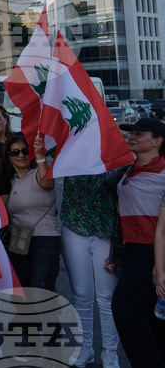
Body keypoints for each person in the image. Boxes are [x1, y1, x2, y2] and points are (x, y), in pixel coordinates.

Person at [108, 117, 165, 367]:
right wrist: (115, 252)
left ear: (157, 141)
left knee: (124, 308)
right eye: (131, 133)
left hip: (152, 249)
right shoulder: (129, 169)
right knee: (152, 314)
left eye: (139, 134)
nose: (132, 136)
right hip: (130, 248)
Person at [62, 166, 124, 368]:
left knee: (106, 297)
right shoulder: (68, 150)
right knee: (81, 295)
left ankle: (110, 352)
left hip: (107, 231)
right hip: (74, 228)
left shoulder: (115, 155)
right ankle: (84, 348)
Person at [3, 133, 60, 290]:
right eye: (15, 152)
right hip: (18, 244)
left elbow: (48, 183)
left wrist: (40, 156)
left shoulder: (38, 172)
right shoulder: (10, 180)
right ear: (8, 156)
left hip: (44, 242)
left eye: (25, 151)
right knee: (22, 294)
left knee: (40, 294)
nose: (21, 155)